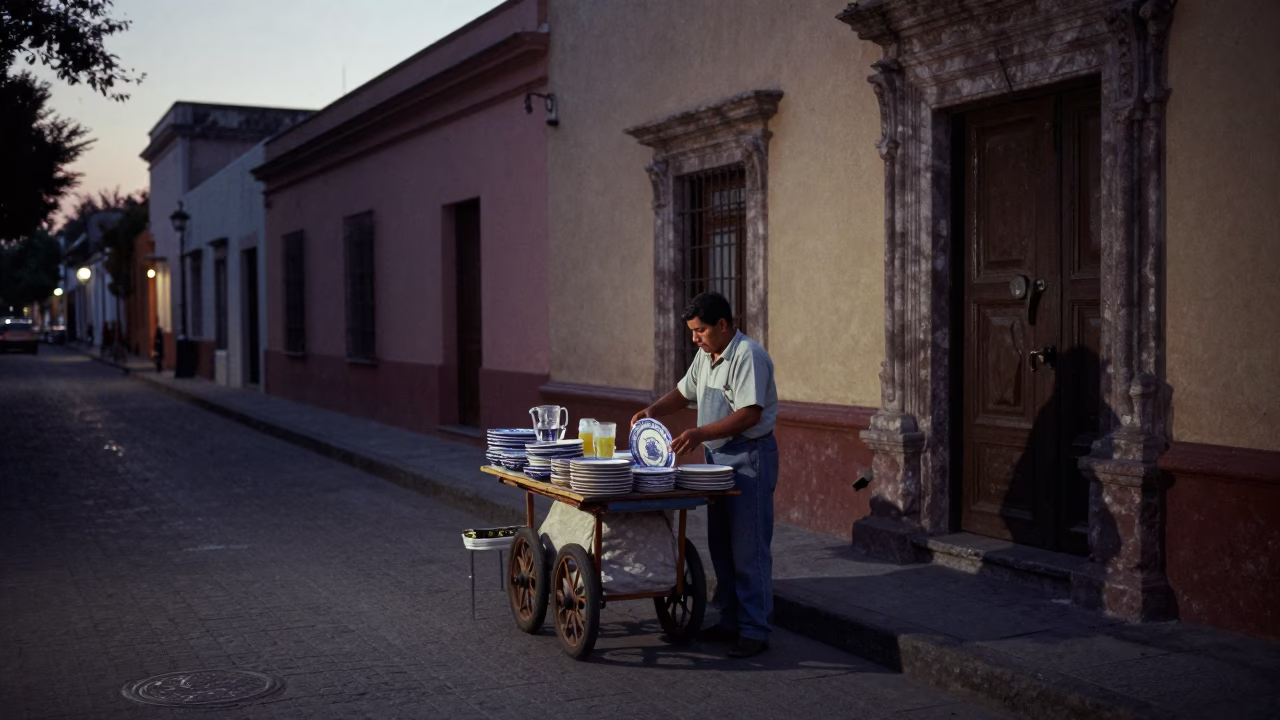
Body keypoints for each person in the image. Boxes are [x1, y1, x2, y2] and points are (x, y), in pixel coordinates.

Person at [631, 291, 779, 658]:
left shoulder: (748, 356)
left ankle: (754, 629)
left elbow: (749, 414)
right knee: (721, 544)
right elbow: (683, 394)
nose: (695, 338)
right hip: (716, 460)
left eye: (700, 331)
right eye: (692, 331)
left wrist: (699, 434)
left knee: (749, 547)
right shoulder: (705, 357)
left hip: (749, 458)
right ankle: (729, 620)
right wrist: (652, 410)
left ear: (723, 325)